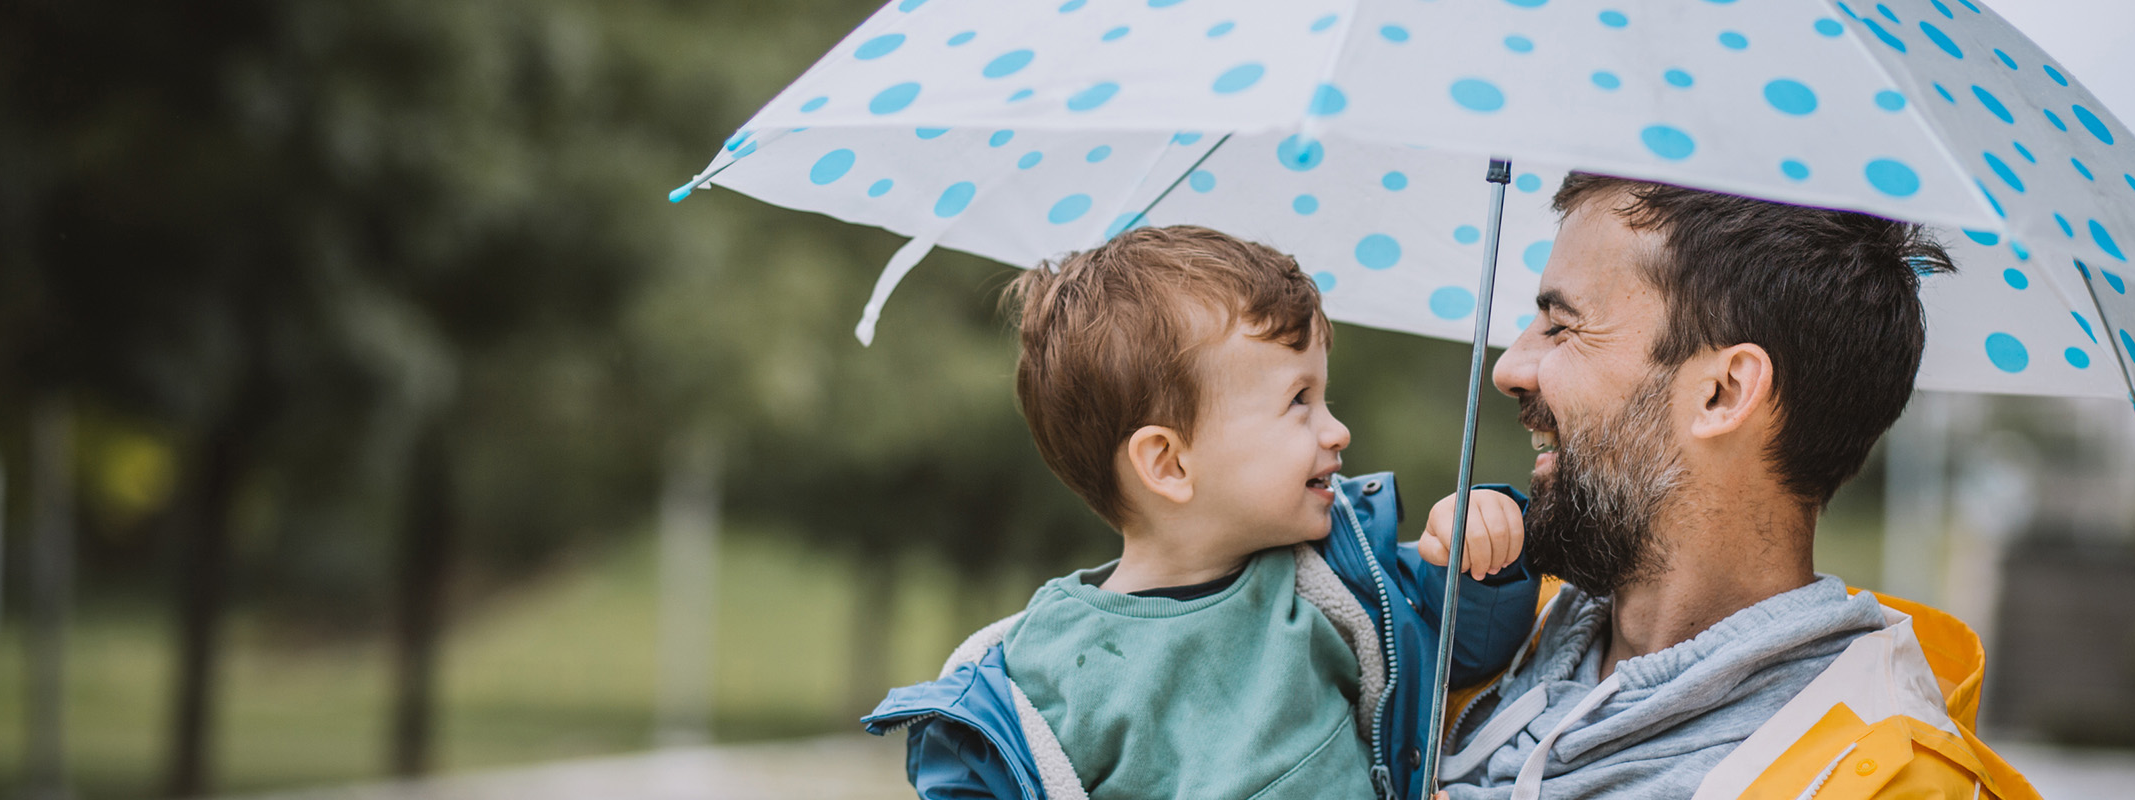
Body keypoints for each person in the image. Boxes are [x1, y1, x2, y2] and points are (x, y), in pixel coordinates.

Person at [863, 225, 1543, 800]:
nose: (1336, 431)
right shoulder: (1042, 675)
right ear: (1169, 464)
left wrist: (1479, 559)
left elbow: (1463, 651)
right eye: (1299, 400)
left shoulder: (1336, 580)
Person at [1434, 175, 2042, 800]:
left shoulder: (1893, 787)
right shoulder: (1470, 633)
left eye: (1562, 326)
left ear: (1722, 392)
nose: (1510, 369)